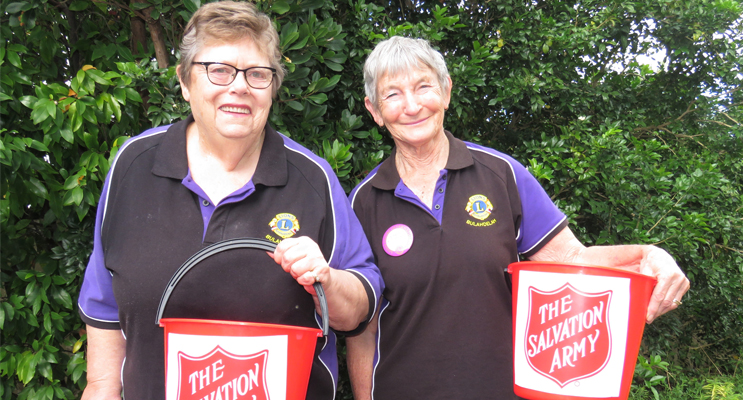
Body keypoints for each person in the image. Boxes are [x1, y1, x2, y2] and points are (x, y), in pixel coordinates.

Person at [346, 36, 690, 400]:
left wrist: (647, 255)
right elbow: (362, 330)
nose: (412, 105)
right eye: (393, 94)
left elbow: (571, 258)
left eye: (423, 86)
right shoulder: (362, 202)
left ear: (446, 91)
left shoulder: (502, 174)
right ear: (375, 110)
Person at [77, 2, 383, 399]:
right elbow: (104, 312)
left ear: (273, 88)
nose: (239, 86)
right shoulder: (133, 166)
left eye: (257, 73)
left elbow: (360, 306)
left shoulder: (312, 179)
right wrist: (102, 387)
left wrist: (327, 280)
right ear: (185, 81)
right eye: (218, 70)